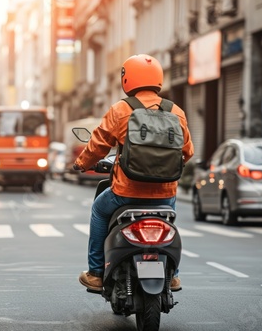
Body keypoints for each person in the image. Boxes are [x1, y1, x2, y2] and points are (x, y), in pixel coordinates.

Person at [73, 54, 194, 292]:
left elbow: (98, 145)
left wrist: (80, 163)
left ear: (127, 79)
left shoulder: (121, 110)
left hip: (126, 193)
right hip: (164, 194)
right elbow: (187, 152)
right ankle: (175, 275)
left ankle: (96, 273)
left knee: (99, 209)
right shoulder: (176, 112)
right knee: (169, 218)